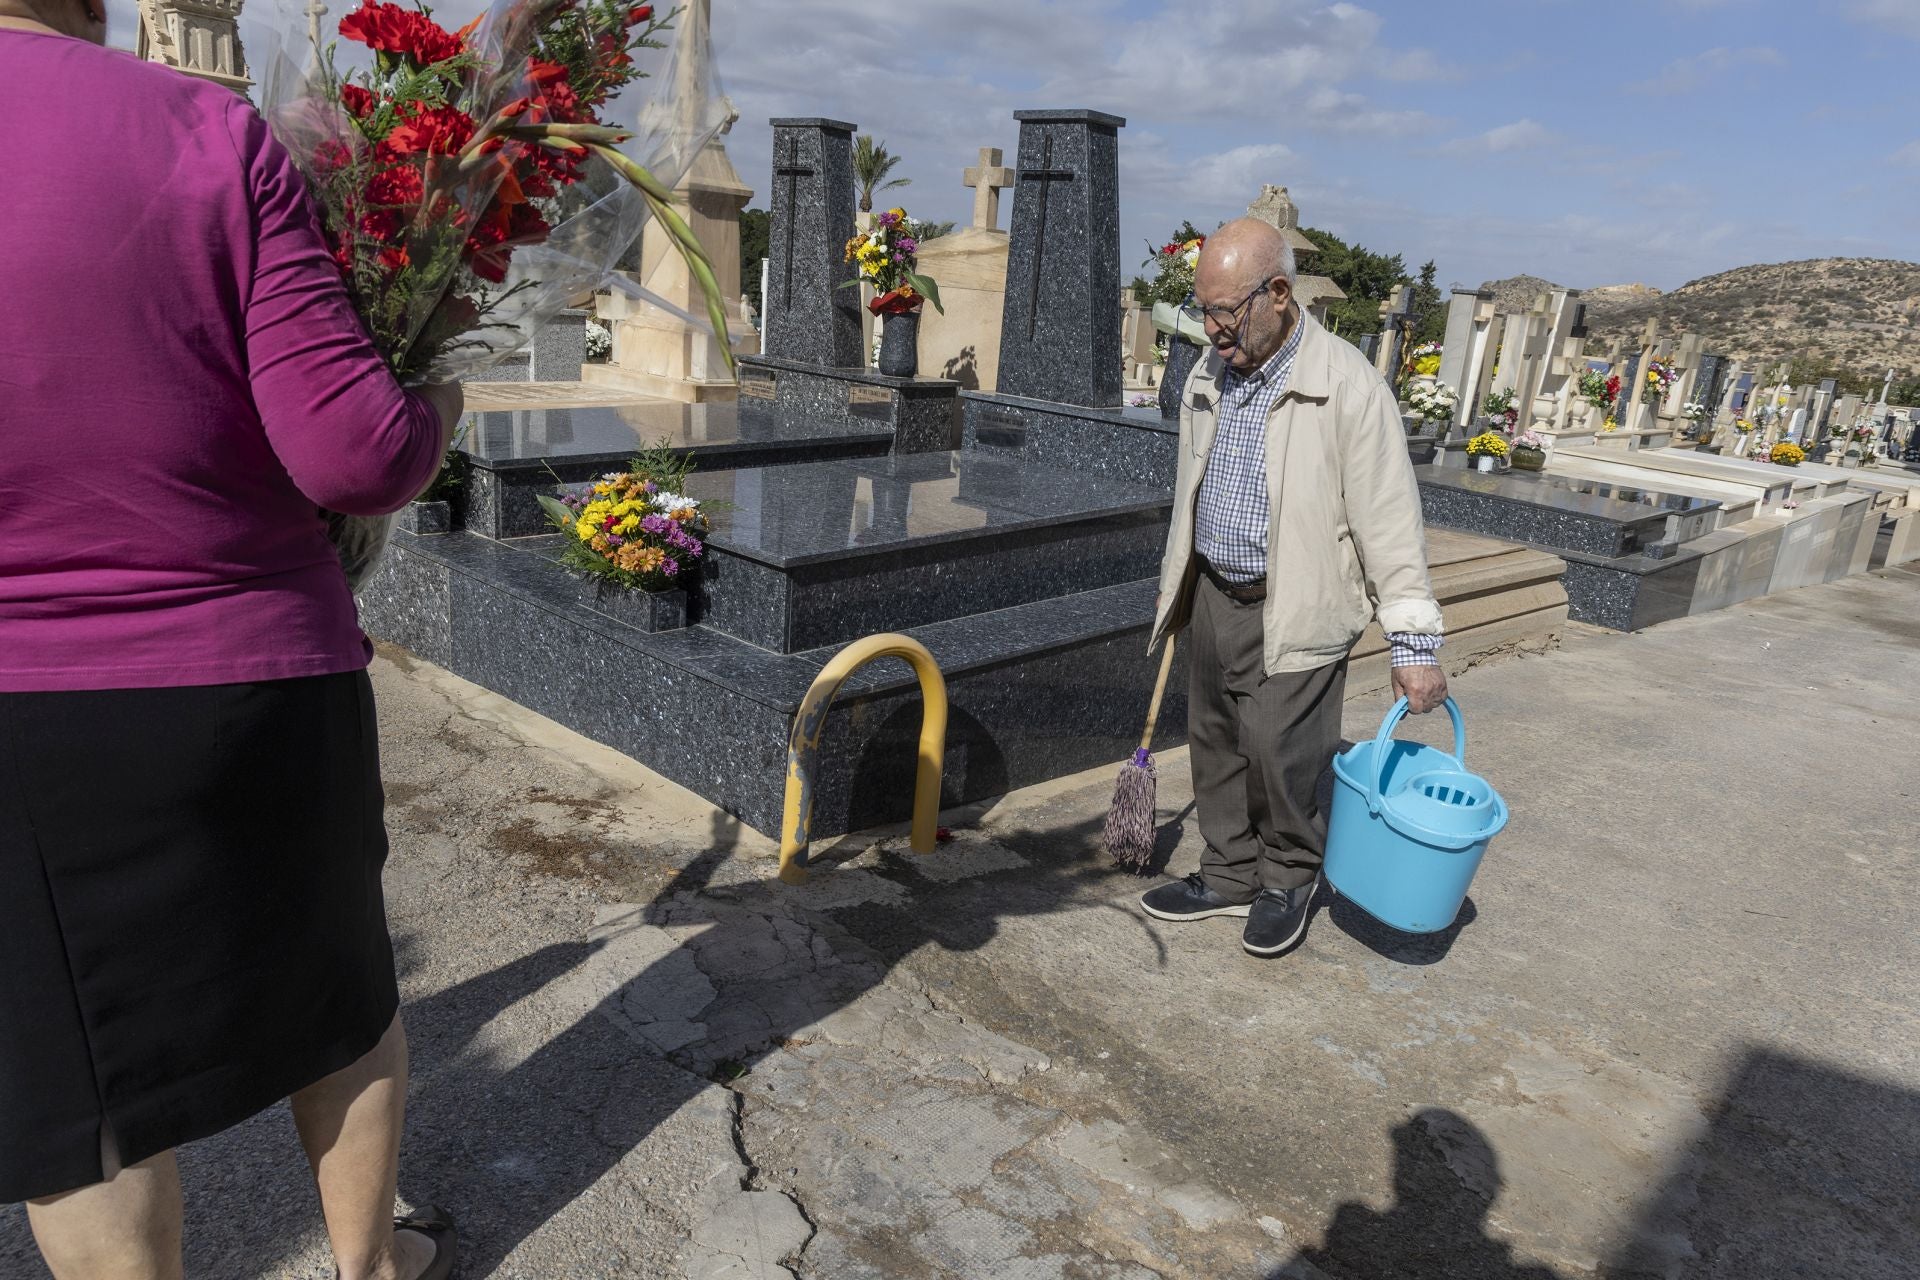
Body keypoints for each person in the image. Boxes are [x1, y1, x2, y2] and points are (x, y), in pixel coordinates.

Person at [1, 4, 464, 1279]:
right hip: (254, 667)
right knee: (338, 1000)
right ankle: (369, 1266)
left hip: (19, 708)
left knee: (77, 1093)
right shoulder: (204, 127)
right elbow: (351, 451)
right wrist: (436, 404)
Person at [1140, 219, 1446, 959]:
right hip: (1213, 588)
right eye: (1201, 308)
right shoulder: (1213, 372)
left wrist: (1414, 642)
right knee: (1214, 741)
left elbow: (1391, 524)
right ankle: (1228, 872)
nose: (1210, 330)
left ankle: (1287, 876)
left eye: (1225, 311)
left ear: (1279, 293)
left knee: (1281, 751)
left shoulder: (1347, 387)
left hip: (1299, 599)